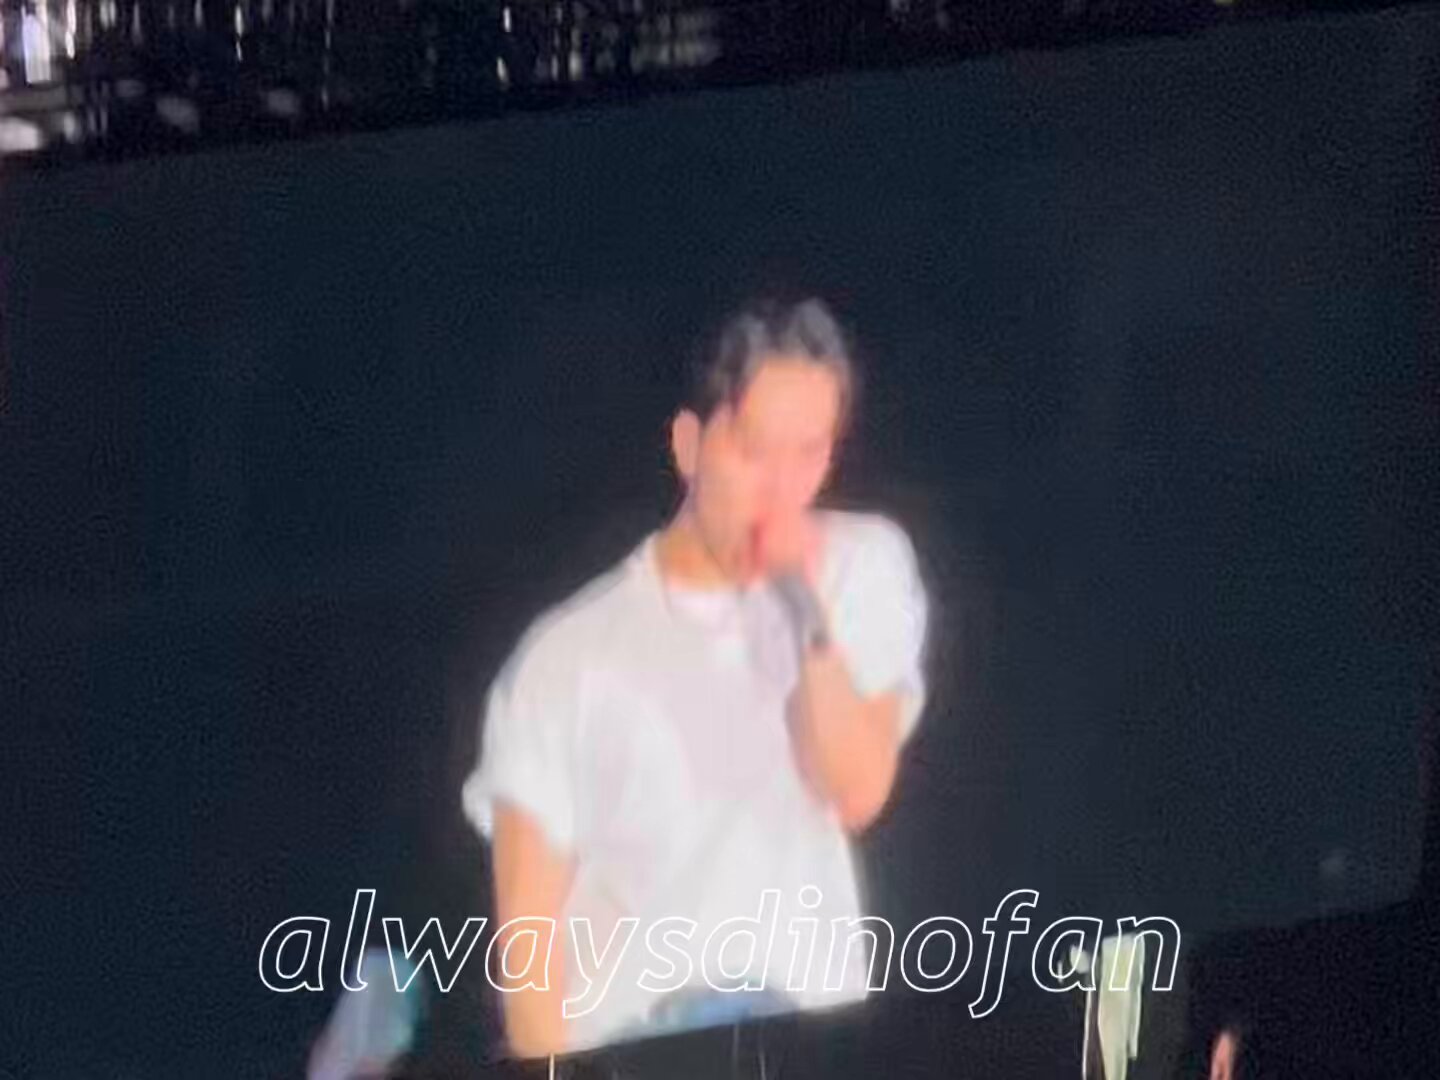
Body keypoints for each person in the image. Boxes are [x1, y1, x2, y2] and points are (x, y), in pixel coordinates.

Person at [461, 295, 931, 1059]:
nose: (781, 488)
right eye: (753, 451)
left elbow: (856, 789)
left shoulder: (861, 566)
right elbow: (527, 945)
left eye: (809, 453)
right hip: (640, 1037)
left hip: (805, 1025)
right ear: (689, 444)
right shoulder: (566, 656)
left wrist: (807, 611)